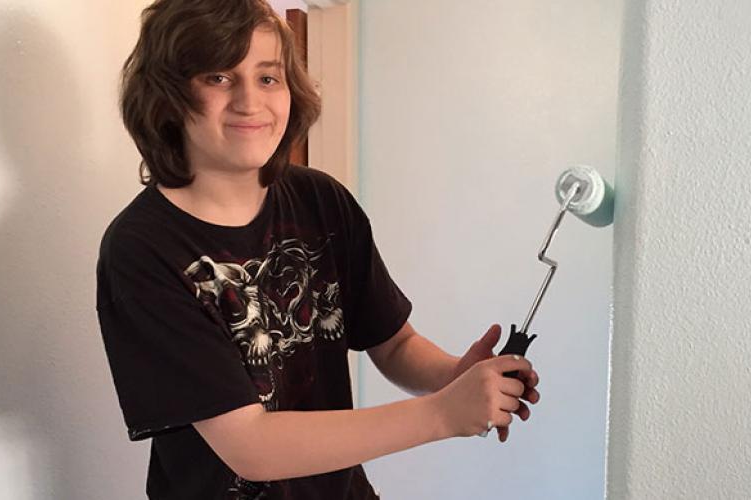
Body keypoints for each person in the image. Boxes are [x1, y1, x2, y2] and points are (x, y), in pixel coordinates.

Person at [95, 1, 541, 498]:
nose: (250, 102)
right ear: (168, 95)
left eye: (268, 78)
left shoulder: (321, 201)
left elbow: (394, 344)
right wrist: (441, 414)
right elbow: (251, 446)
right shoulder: (141, 250)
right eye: (218, 77)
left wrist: (452, 378)